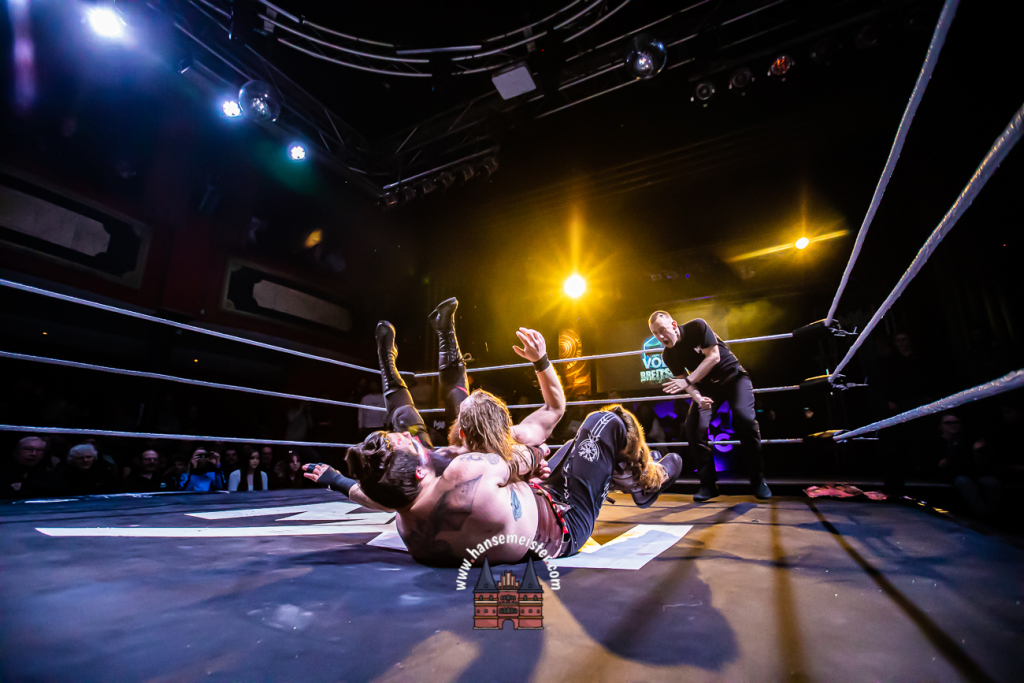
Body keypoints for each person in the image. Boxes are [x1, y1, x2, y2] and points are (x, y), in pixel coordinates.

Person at [648, 312, 771, 501]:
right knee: (693, 428)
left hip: (734, 378)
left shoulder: (697, 327)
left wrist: (689, 380)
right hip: (707, 389)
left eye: (662, 330)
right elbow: (685, 383)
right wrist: (699, 399)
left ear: (673, 324)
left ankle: (758, 481)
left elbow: (713, 357)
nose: (660, 336)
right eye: (655, 333)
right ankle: (708, 485)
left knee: (744, 420)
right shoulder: (668, 355)